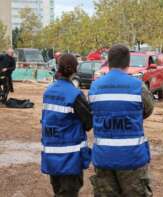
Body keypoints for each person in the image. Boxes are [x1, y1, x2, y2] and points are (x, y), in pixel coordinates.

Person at [89, 44, 154, 196]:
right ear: (128, 62)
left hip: (103, 157)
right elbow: (148, 109)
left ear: (108, 62)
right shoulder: (138, 86)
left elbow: (93, 111)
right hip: (132, 158)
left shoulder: (95, 87)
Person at [41, 53, 92, 197]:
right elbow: (88, 123)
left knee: (58, 191)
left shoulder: (48, 92)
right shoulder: (74, 94)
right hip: (70, 158)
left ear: (58, 68)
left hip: (51, 154)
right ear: (75, 70)